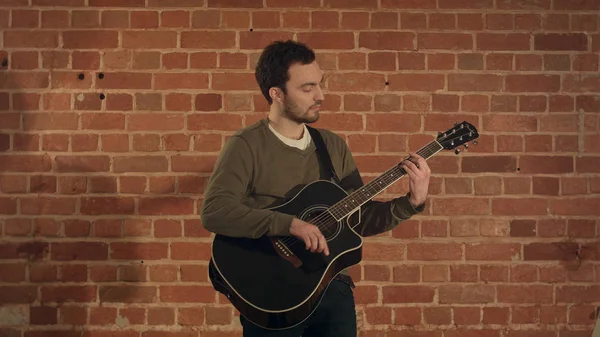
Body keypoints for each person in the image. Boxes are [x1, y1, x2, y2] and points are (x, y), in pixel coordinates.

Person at [200, 40, 431, 337]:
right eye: (307, 88)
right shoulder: (246, 145)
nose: (320, 96)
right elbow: (215, 212)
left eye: (319, 85)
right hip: (273, 293)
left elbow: (359, 219)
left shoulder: (332, 146)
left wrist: (412, 201)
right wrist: (289, 224)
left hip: (332, 288)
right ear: (277, 94)